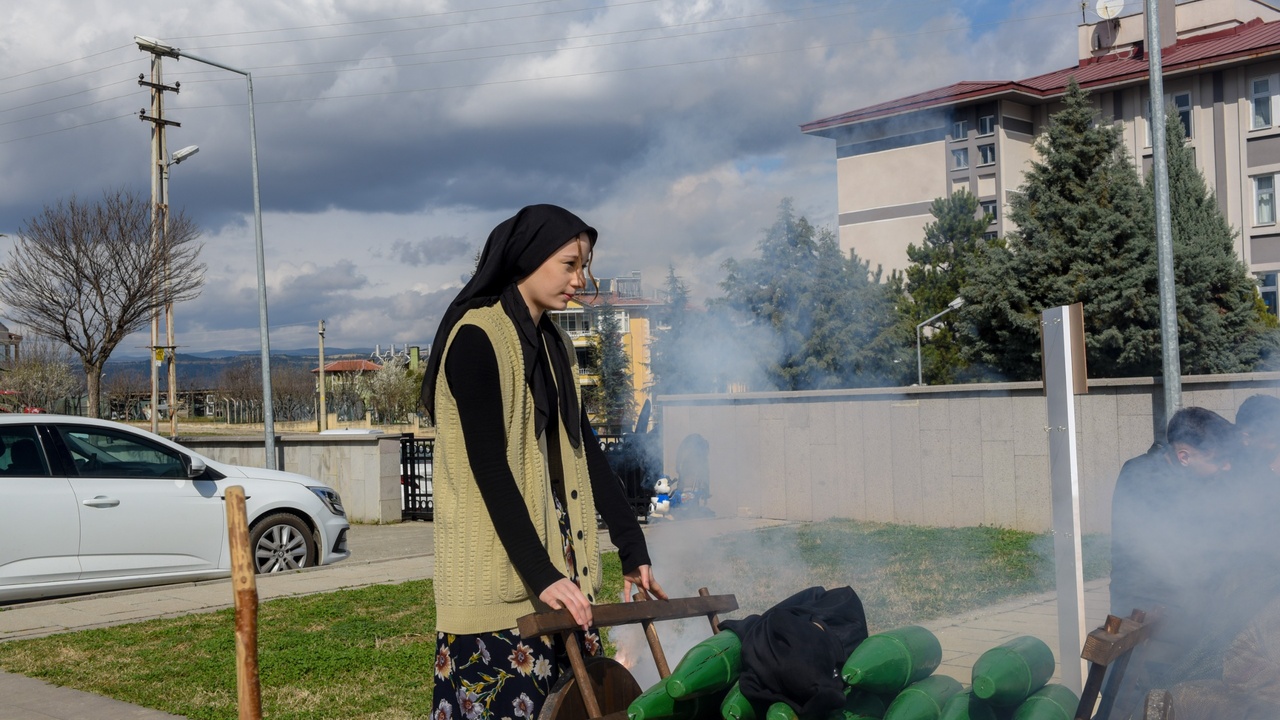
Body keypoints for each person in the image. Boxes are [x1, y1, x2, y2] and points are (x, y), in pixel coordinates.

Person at [421, 204, 666, 720]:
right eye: (569, 265)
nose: (580, 280)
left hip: (562, 574)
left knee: (580, 709)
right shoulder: (475, 339)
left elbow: (584, 450)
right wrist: (542, 574)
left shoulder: (557, 345)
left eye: (585, 267)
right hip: (500, 585)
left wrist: (631, 545)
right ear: (528, 259)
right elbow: (489, 468)